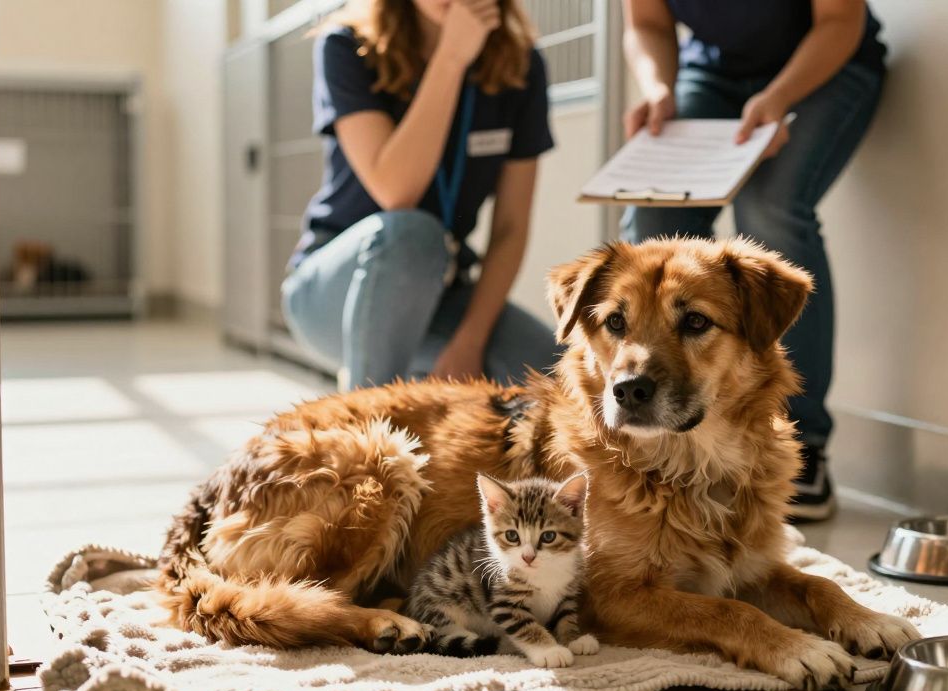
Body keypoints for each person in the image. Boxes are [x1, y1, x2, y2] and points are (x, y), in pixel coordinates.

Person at [621, 0, 887, 520]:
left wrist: (779, 97)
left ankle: (802, 441)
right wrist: (658, 89)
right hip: (713, 74)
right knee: (653, 210)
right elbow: (648, 25)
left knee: (771, 209)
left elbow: (840, 22)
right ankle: (662, 415)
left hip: (829, 62)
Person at [281, 0, 559, 391]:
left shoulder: (522, 65)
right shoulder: (345, 46)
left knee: (553, 374)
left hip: (443, 288)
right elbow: (398, 190)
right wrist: (451, 57)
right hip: (336, 289)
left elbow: (511, 227)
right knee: (412, 234)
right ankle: (362, 428)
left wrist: (470, 341)